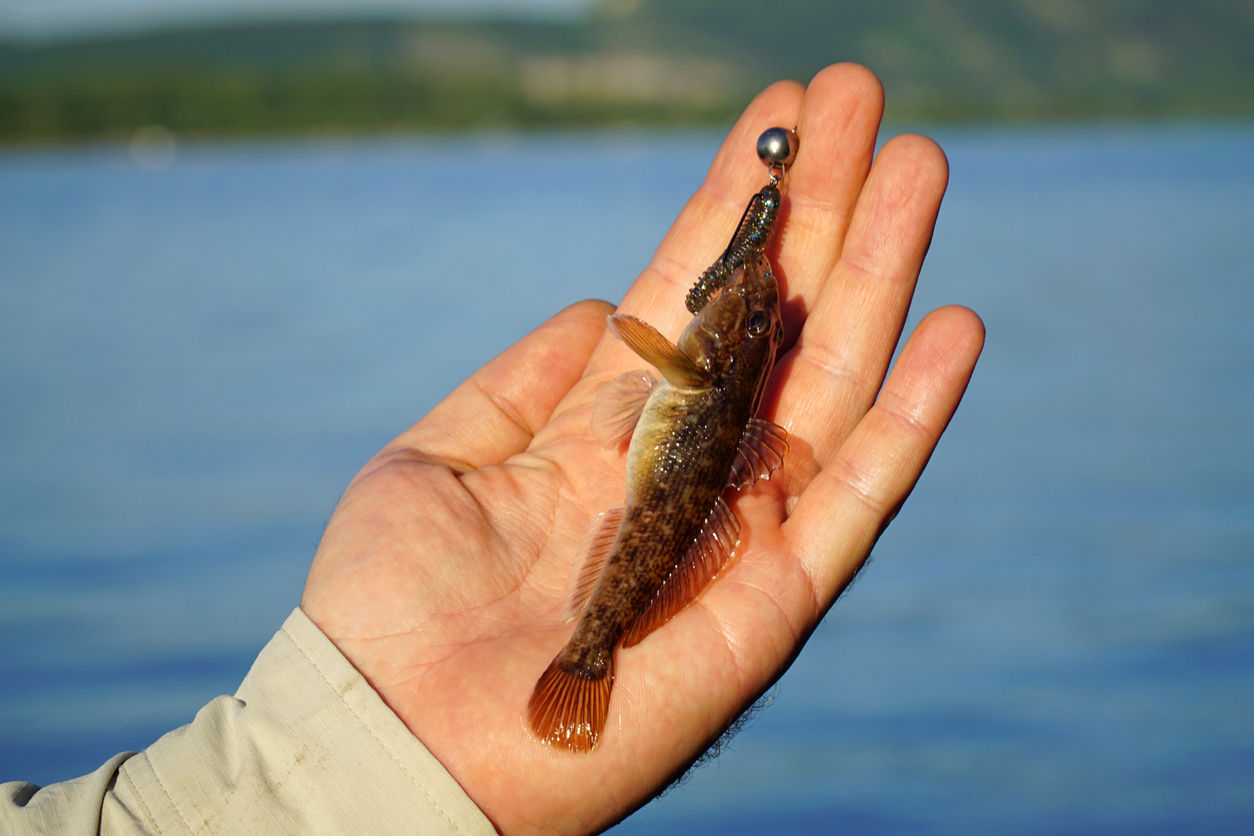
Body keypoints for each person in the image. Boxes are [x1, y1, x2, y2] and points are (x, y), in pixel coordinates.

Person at [1, 63, 984, 836]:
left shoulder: (691, 359)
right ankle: (588, 649)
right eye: (756, 315)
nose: (755, 304)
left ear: (726, 352)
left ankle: (589, 650)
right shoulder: (706, 377)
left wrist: (337, 769)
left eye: (758, 319)